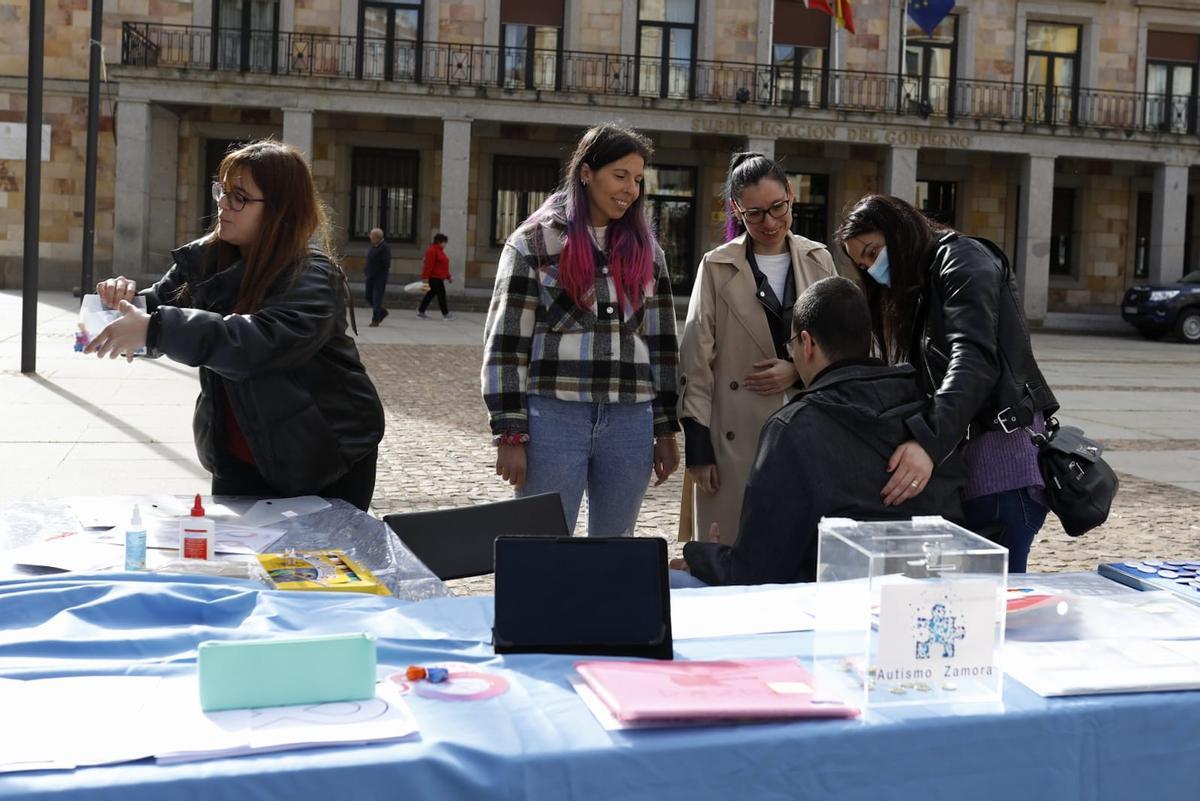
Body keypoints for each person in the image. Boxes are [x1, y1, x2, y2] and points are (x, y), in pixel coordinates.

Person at [84, 140, 385, 511]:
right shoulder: (205, 261)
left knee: (318, 567)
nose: (223, 205)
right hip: (239, 458)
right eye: (222, 192)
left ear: (279, 209)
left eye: (239, 196)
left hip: (322, 457)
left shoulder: (313, 273)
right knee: (239, 563)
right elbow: (154, 309)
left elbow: (258, 342)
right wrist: (116, 302)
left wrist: (155, 327)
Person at [675, 276, 965, 585]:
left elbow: (759, 568)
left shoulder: (793, 427)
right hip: (937, 589)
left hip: (828, 606)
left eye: (792, 346)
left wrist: (701, 556)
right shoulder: (931, 410)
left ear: (807, 343)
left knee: (671, 582)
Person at [833, 194, 1058, 572]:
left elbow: (973, 360)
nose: (872, 269)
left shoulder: (963, 259)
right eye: (863, 263)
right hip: (972, 464)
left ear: (900, 230)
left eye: (873, 252)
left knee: (990, 599)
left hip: (1001, 463)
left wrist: (927, 441)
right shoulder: (923, 282)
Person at [481, 122, 681, 536]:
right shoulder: (533, 244)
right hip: (554, 416)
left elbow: (661, 346)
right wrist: (510, 432)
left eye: (639, 179)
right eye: (620, 176)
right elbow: (505, 344)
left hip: (630, 419)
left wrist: (664, 428)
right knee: (541, 543)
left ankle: (601, 604)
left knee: (615, 546)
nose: (630, 189)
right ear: (587, 173)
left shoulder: (648, 251)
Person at [677, 152, 835, 546]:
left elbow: (841, 346)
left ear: (791, 195)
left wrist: (796, 369)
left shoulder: (819, 259)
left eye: (777, 207)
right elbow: (696, 359)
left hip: (808, 429)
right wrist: (699, 447)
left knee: (799, 556)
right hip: (734, 434)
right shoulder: (716, 266)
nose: (770, 222)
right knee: (731, 557)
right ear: (736, 210)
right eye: (755, 214)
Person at [418, 233, 454, 321]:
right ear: (439, 242)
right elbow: (429, 265)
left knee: (430, 295)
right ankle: (445, 314)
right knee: (441, 295)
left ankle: (421, 311)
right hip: (434, 278)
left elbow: (443, 267)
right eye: (444, 243)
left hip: (438, 277)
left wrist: (448, 277)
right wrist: (425, 277)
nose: (445, 245)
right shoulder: (432, 251)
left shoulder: (440, 251)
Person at [364, 227, 391, 327]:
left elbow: (386, 263)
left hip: (379, 278)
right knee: (368, 297)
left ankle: (375, 319)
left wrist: (376, 272)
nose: (370, 237)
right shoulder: (373, 246)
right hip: (370, 277)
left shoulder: (385, 247)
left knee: (376, 299)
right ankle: (382, 312)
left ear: (377, 237)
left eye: (371, 235)